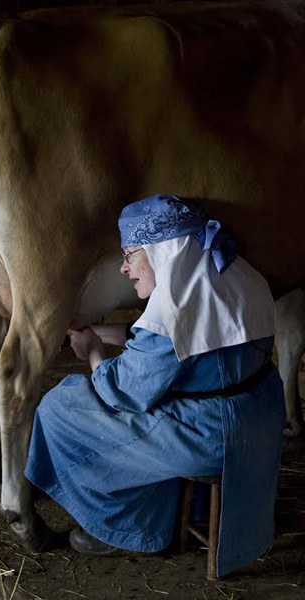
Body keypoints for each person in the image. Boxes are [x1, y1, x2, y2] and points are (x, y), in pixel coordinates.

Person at [24, 193, 285, 577]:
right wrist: (102, 332)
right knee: (158, 402)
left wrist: (94, 350)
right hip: (258, 421)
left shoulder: (172, 309)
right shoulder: (234, 273)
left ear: (163, 252)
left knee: (61, 406)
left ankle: (128, 528)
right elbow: (188, 344)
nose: (125, 269)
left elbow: (121, 392)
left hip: (209, 435)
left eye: (130, 254)